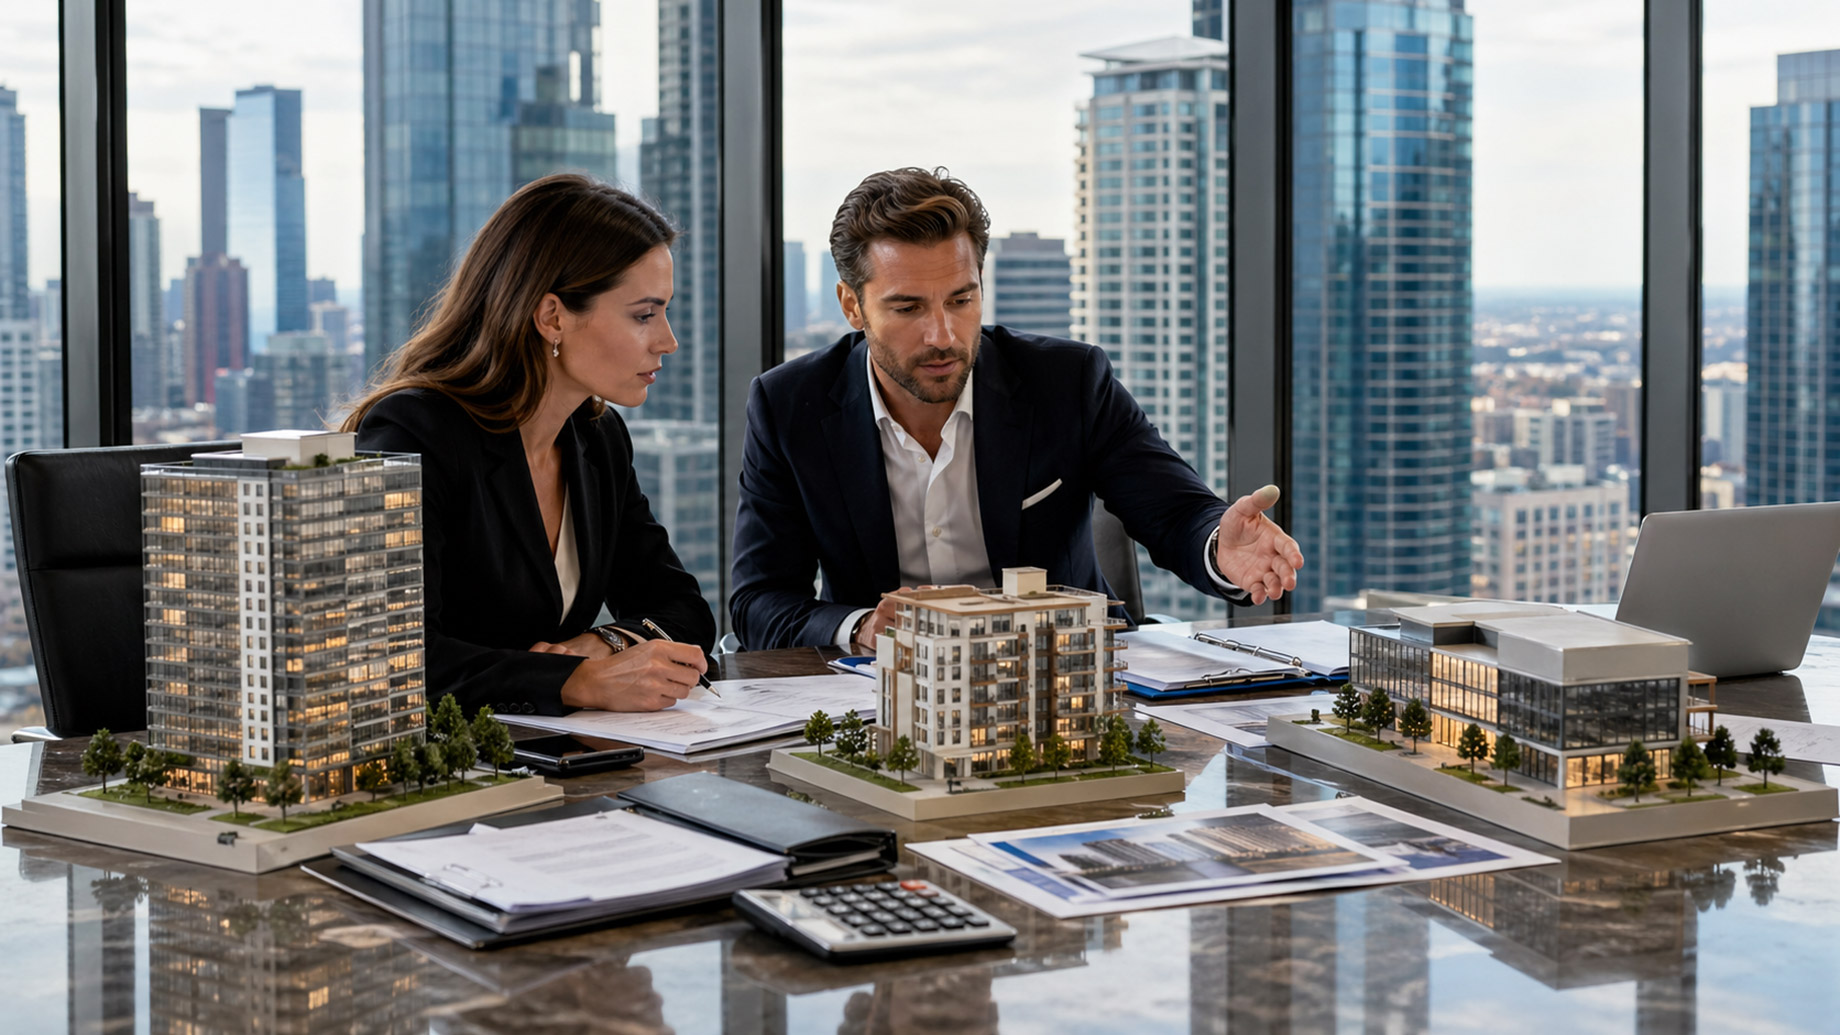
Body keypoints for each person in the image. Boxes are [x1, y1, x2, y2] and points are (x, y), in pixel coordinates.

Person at [730, 167, 1304, 651]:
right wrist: (859, 629)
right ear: (852, 305)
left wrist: (1220, 551)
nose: (942, 335)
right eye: (907, 307)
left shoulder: (1067, 381)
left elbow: (1176, 512)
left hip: (1068, 686)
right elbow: (758, 601)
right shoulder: (789, 406)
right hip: (889, 699)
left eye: (962, 299)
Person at [344, 173, 715, 716]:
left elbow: (684, 611)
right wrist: (574, 681)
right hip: (442, 766)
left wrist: (603, 644)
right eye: (644, 314)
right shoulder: (414, 432)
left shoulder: (597, 438)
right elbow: (392, 654)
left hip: (556, 752)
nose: (668, 340)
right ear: (553, 316)